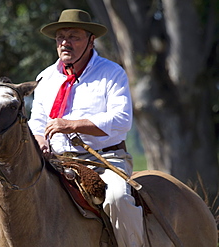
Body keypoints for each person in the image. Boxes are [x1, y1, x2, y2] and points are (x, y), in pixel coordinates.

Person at [28, 9, 144, 247]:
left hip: (105, 160)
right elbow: (37, 124)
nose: (64, 43)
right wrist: (40, 142)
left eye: (74, 37)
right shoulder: (45, 78)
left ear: (91, 40)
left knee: (117, 198)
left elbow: (122, 119)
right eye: (60, 37)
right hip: (57, 162)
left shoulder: (112, 73)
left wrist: (70, 125)